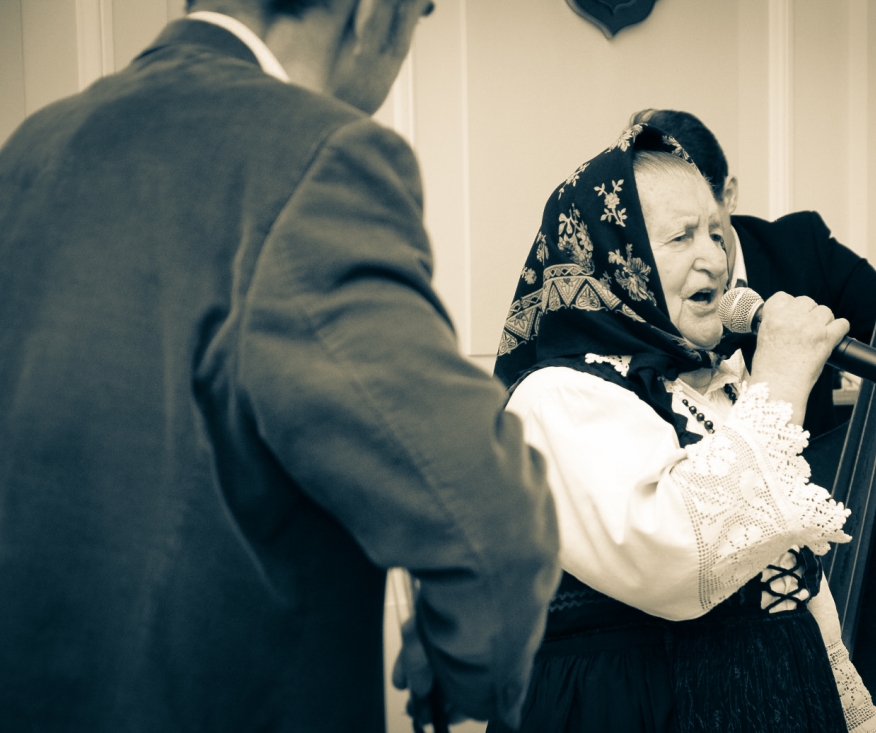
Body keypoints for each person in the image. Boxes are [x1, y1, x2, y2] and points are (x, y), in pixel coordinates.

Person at [0, 1, 559, 730]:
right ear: (371, 12)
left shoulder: (31, 148)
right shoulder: (316, 159)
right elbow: (491, 532)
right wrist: (465, 675)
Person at [489, 123, 876, 733]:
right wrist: (781, 383)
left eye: (716, 232)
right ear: (612, 257)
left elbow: (796, 590)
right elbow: (676, 559)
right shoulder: (557, 399)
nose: (716, 258)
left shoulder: (715, 391)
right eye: (681, 236)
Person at [629, 109, 876, 438]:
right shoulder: (630, 285)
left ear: (730, 195)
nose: (707, 257)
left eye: (711, 229)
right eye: (678, 235)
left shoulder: (803, 250)